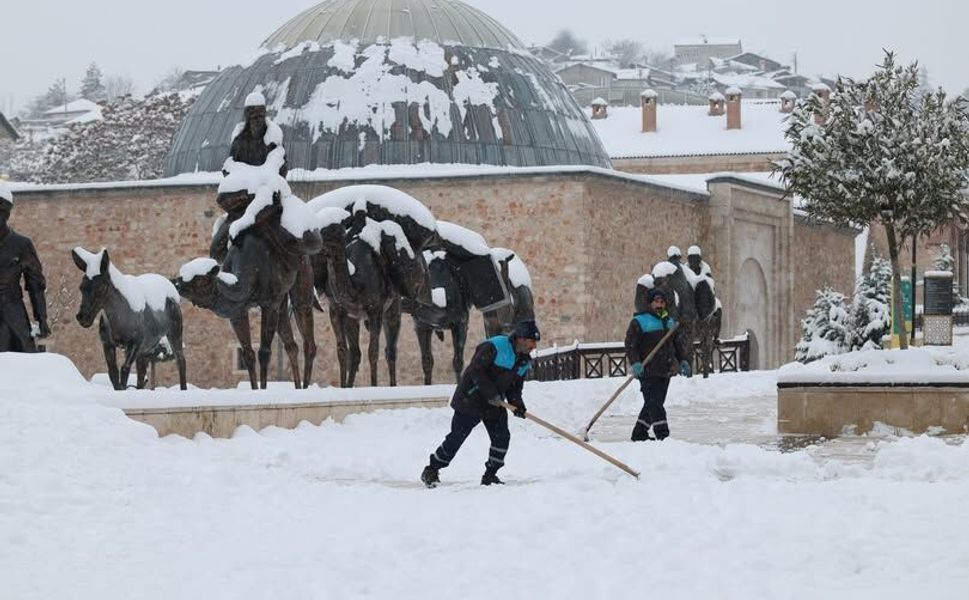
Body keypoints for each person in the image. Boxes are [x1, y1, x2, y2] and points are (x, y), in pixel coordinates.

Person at [421, 319, 540, 487]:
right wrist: (490, 393)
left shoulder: (523, 361)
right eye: (531, 341)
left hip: (494, 404)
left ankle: (490, 475)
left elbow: (514, 388)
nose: (534, 346)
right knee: (457, 437)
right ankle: (431, 469)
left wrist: (517, 405)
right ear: (520, 338)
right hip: (470, 399)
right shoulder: (495, 346)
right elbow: (476, 370)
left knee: (502, 438)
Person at [625, 288, 690, 441]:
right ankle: (663, 436)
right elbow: (630, 344)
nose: (659, 304)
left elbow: (677, 343)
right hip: (647, 371)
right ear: (650, 303)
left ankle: (639, 433)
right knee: (655, 405)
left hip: (664, 370)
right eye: (656, 301)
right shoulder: (640, 321)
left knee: (653, 403)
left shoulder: (668, 322)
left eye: (662, 302)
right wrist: (635, 363)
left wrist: (683, 360)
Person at [0, 184, 50, 352]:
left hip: (11, 309)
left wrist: (41, 319)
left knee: (20, 353)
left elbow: (35, 284)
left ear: (6, 214)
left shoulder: (21, 245)